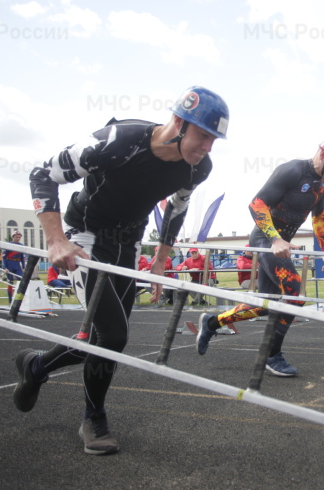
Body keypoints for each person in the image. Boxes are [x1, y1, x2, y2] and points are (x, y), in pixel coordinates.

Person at [13, 85, 229, 456]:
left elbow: (178, 207)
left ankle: (36, 367)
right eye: (203, 135)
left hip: (127, 245)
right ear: (178, 122)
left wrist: (161, 256)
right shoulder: (119, 140)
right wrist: (55, 240)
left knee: (108, 340)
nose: (207, 147)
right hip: (86, 237)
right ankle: (93, 418)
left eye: (214, 140)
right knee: (112, 335)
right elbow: (42, 172)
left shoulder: (197, 168)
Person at [196, 135, 324, 377]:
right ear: (323, 155)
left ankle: (212, 323)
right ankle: (271, 354)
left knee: (263, 305)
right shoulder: (291, 170)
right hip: (265, 239)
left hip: (280, 242)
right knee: (294, 295)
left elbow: (319, 218)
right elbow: (256, 204)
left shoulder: (323, 183)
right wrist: (276, 238)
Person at [3, 230, 26, 299]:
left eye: (19, 237)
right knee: (10, 282)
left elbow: (22, 258)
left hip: (17, 265)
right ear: (13, 237)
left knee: (22, 280)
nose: (18, 239)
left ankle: (19, 297)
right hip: (9, 264)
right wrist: (5, 267)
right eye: (16, 237)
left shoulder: (22, 246)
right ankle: (10, 299)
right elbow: (4, 257)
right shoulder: (8, 245)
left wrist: (23, 267)